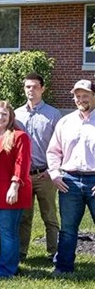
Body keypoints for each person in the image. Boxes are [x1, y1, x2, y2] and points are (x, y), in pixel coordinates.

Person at [47, 79, 95, 277]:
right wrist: (55, 173)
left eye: (85, 95)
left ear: (94, 96)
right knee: (67, 228)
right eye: (77, 96)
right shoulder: (65, 122)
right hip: (70, 181)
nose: (80, 99)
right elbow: (53, 151)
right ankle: (63, 267)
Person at [0, 101, 32, 279]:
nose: (0, 118)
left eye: (4, 114)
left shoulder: (19, 136)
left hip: (9, 191)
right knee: (2, 230)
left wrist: (15, 185)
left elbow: (22, 163)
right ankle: (9, 263)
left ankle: (5, 270)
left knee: (8, 231)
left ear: (10, 116)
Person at [14, 73, 61, 259]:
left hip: (45, 174)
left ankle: (53, 253)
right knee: (24, 217)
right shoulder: (17, 114)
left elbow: (60, 145)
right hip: (24, 175)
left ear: (42, 88)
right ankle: (21, 252)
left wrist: (52, 170)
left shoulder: (53, 114)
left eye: (34, 86)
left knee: (49, 215)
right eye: (27, 87)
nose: (30, 90)